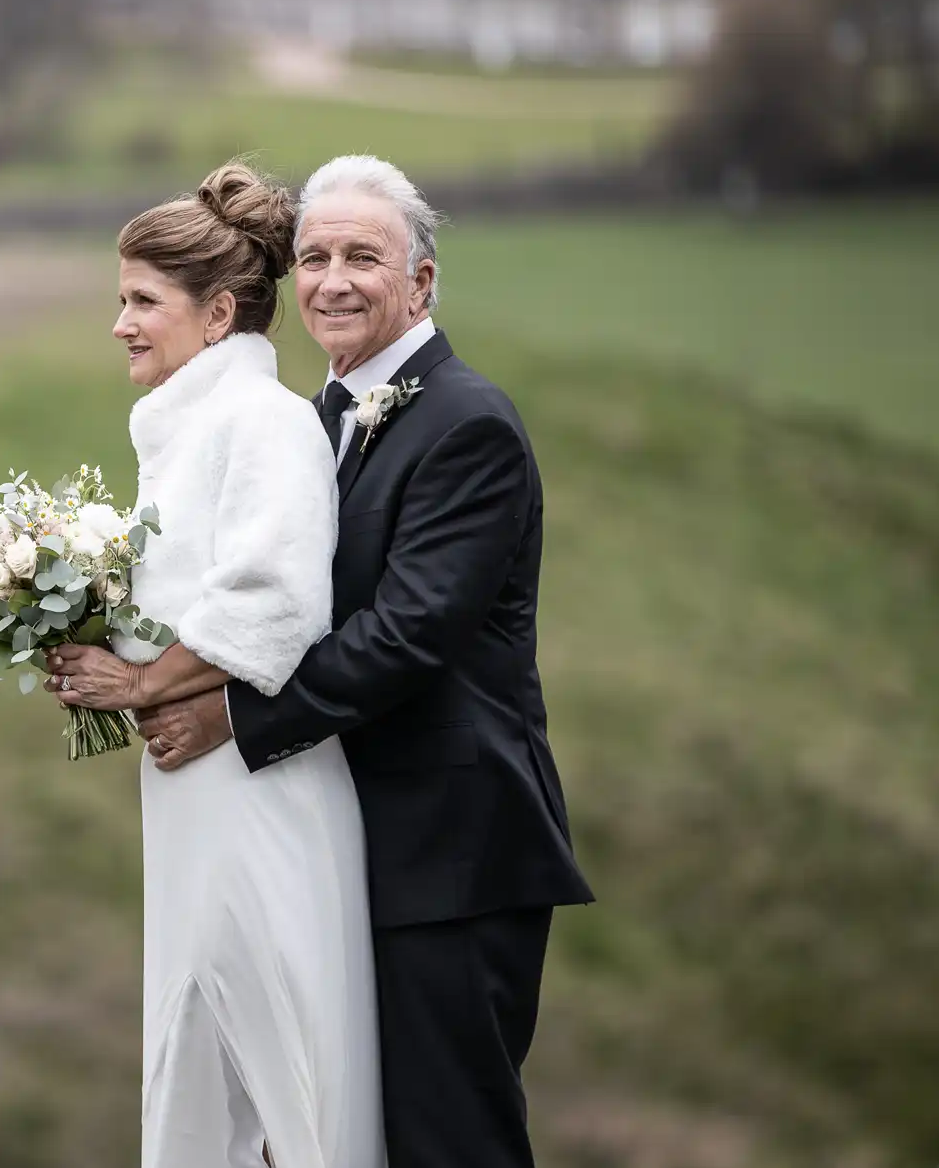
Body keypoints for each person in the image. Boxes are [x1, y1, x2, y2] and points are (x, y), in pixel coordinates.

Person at [61, 155, 594, 1168]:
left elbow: (405, 635)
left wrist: (225, 713)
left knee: (451, 1141)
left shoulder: (464, 423)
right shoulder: (319, 420)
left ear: (422, 282)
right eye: (313, 256)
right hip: (348, 836)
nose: (332, 279)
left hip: (451, 848)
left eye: (362, 256)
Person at [47, 162, 385, 1168]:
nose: (118, 323)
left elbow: (274, 609)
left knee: (282, 1063)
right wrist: (79, 637)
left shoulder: (264, 423)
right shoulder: (183, 433)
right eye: (120, 299)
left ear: (218, 312)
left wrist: (143, 684)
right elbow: (185, 594)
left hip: (261, 797)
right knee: (189, 1059)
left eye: (140, 301)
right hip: (192, 800)